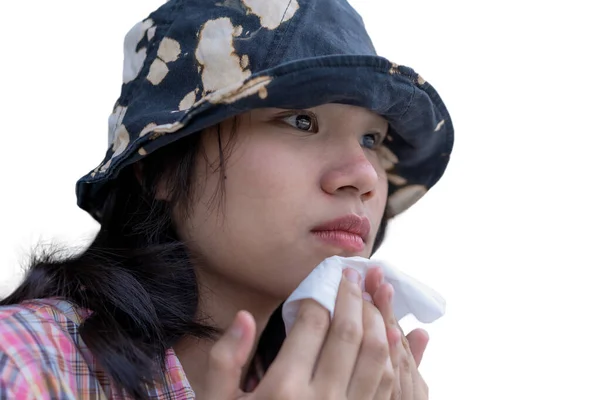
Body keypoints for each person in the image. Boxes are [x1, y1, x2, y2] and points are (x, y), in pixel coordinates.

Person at [0, 0, 453, 398]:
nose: (363, 176)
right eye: (301, 121)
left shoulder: (347, 386)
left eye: (372, 138)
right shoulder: (24, 362)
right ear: (158, 168)